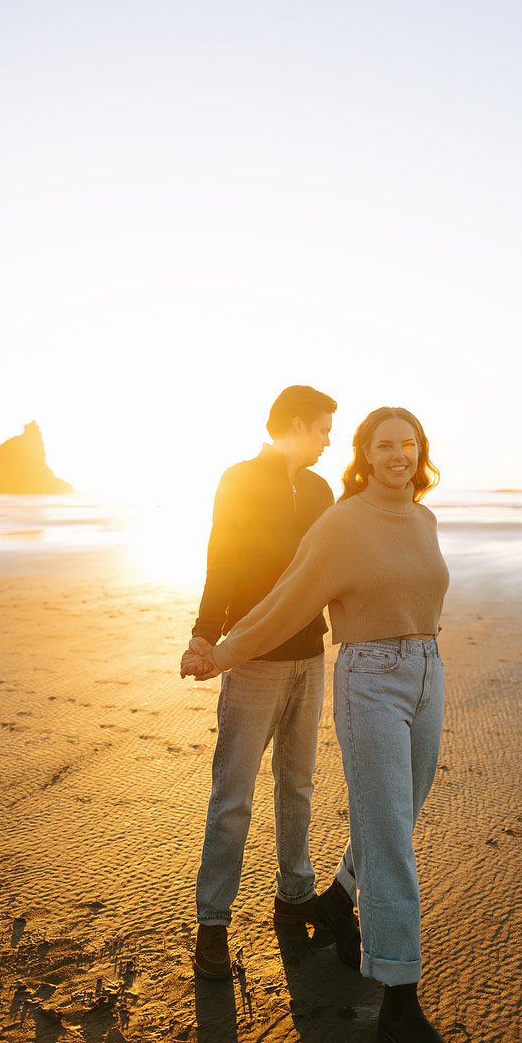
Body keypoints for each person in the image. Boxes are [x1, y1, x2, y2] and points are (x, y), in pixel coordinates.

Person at [182, 406, 451, 1043]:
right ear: (366, 453)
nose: (399, 455)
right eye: (385, 444)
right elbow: (285, 596)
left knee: (400, 812)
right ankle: (398, 995)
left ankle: (332, 902)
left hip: (426, 670)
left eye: (409, 445)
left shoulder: (425, 517)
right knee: (385, 835)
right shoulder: (340, 523)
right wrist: (218, 646)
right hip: (369, 676)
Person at [188, 385, 360, 981]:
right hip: (255, 658)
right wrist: (206, 634)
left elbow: (335, 569)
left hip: (309, 657)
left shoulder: (318, 490)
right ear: (294, 424)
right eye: (321, 429)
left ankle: (295, 895)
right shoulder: (239, 479)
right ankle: (213, 922)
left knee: (299, 783)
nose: (328, 440)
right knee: (232, 790)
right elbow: (223, 556)